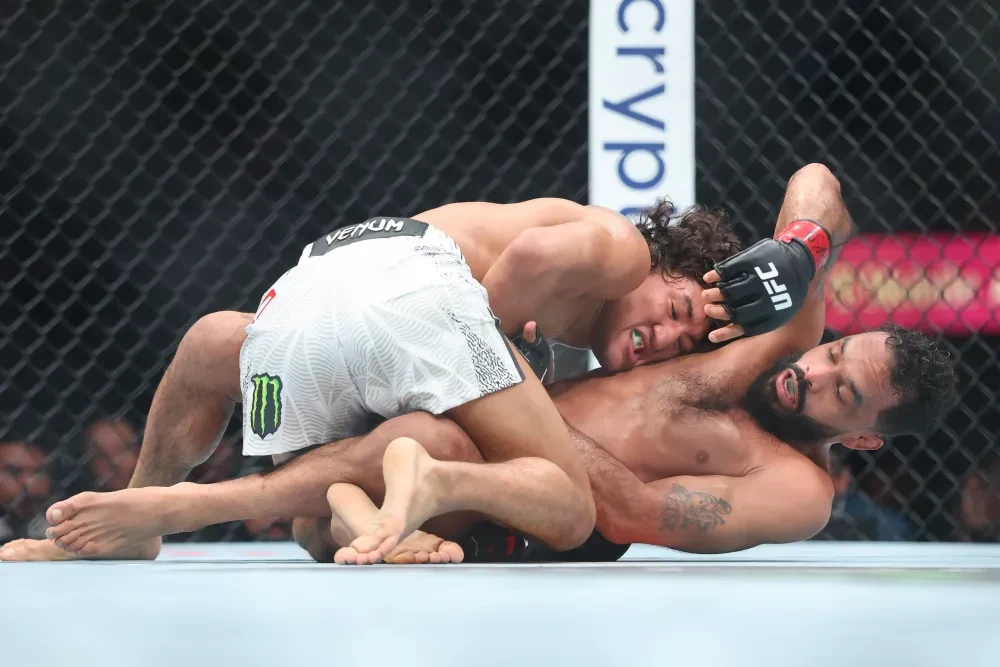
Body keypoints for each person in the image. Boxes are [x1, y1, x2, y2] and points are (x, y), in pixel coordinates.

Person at [0, 163, 957, 564]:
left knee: (407, 452)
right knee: (228, 348)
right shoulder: (769, 333)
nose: (819, 370)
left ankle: (233, 504)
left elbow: (636, 513)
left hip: (524, 503)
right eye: (838, 350)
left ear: (861, 434)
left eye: (845, 390)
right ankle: (170, 505)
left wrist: (519, 388)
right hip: (472, 414)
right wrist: (799, 248)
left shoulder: (800, 487)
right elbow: (822, 186)